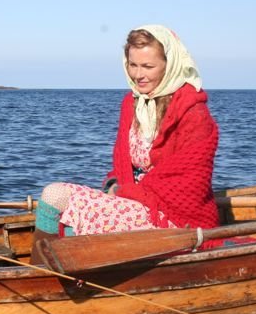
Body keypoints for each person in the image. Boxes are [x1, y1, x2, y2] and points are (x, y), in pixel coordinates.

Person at [31, 25, 220, 262]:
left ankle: (43, 279)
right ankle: (39, 272)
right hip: (132, 201)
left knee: (66, 217)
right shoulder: (131, 105)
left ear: (169, 65)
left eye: (148, 66)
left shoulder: (195, 115)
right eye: (133, 65)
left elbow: (189, 186)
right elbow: (122, 168)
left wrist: (123, 191)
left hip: (175, 217)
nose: (138, 75)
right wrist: (113, 183)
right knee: (55, 198)